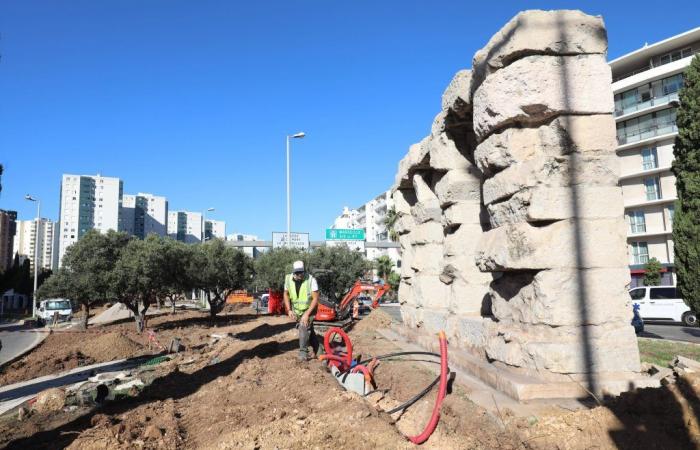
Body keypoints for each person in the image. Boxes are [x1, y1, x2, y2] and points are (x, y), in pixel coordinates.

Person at [283, 260, 320, 361]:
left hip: (310, 309)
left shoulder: (311, 280)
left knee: (303, 326)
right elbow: (285, 294)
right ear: (293, 272)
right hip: (298, 310)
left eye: (302, 272)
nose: (300, 275)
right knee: (310, 332)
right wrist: (289, 310)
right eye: (297, 272)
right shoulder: (288, 279)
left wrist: (307, 314)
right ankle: (320, 352)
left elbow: (316, 299)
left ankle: (303, 353)